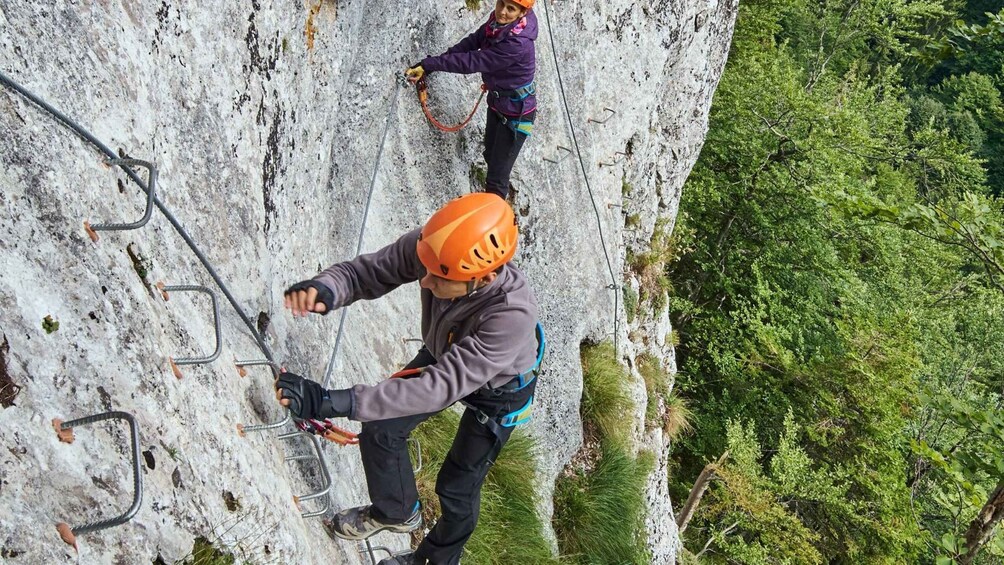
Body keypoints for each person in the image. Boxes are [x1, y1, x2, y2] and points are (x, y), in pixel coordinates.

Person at [276, 193, 543, 565]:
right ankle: (396, 511)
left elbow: (439, 387)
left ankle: (432, 562)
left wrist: (333, 401)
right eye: (427, 268)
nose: (425, 280)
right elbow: (366, 273)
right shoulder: (433, 249)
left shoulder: (512, 316)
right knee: (381, 425)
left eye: (441, 277)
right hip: (447, 352)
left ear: (486, 277)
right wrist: (327, 289)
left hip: (499, 392)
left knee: (457, 488)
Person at [405, 0, 538, 201]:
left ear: (522, 13)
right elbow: (475, 40)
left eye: (511, 9)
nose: (502, 11)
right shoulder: (499, 24)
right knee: (490, 156)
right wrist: (432, 64)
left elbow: (473, 62)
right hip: (498, 104)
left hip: (517, 115)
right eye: (501, 3)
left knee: (496, 179)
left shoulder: (517, 43)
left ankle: (494, 225)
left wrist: (430, 63)